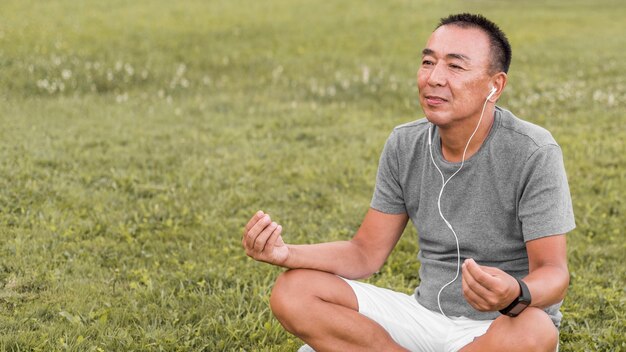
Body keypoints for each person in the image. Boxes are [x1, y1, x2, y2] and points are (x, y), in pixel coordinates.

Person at [242, 13, 575, 352]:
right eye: (428, 62)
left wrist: (516, 292)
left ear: (495, 85)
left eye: (455, 67)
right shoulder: (405, 144)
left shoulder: (533, 150)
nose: (434, 78)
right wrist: (286, 253)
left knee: (536, 330)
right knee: (293, 291)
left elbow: (554, 273)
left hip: (498, 327)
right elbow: (364, 254)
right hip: (421, 315)